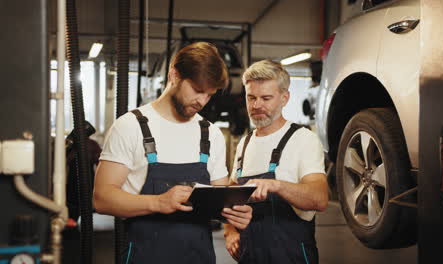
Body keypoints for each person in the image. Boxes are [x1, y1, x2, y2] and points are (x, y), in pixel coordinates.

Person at [93, 42, 252, 264]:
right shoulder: (130, 126)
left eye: (209, 95)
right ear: (174, 75)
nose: (202, 101)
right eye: (197, 90)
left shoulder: (211, 134)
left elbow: (221, 200)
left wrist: (235, 217)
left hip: (199, 257)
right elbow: (102, 198)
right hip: (144, 256)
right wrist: (158, 202)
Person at [224, 60, 329, 264]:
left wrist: (277, 185)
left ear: (284, 98)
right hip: (249, 256)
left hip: (291, 255)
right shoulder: (244, 143)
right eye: (251, 97)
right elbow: (231, 193)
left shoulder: (303, 139)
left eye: (266, 98)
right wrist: (229, 230)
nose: (256, 106)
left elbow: (320, 198)